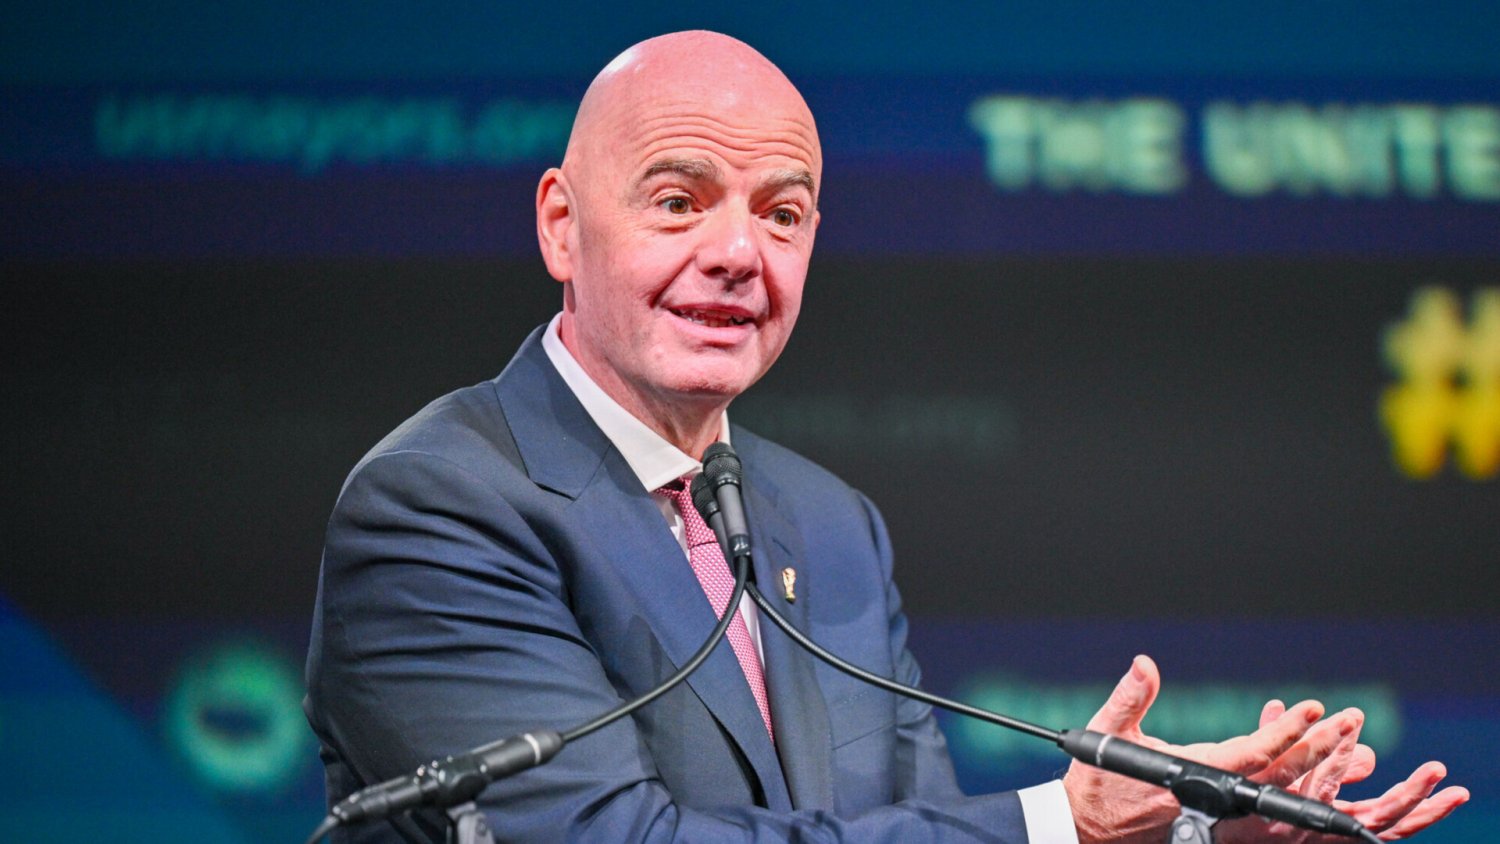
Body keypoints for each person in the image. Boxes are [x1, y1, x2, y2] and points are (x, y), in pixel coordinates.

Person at [303, 31, 1467, 843]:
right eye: (679, 200)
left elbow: (924, 834)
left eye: (782, 213)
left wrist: (1186, 835)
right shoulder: (439, 505)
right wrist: (1061, 820)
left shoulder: (828, 524)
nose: (737, 253)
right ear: (562, 224)